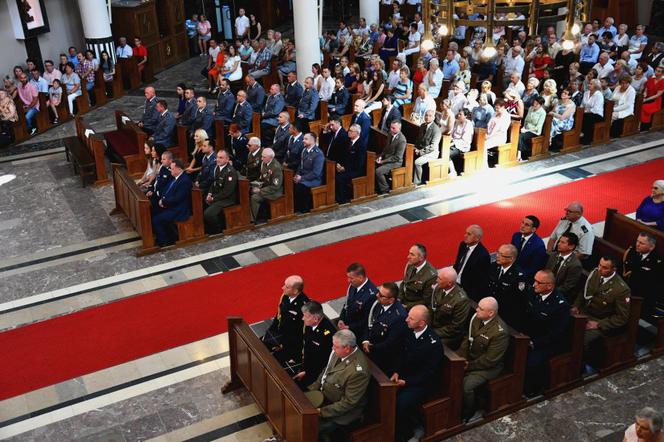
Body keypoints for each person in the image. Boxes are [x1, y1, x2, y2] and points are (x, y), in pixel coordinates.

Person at [306, 329, 371, 442]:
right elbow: (325, 372)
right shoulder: (338, 352)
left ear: (347, 348)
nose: (332, 348)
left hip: (341, 412)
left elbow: (348, 403)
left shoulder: (358, 371)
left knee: (309, 429)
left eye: (335, 346)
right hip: (324, 398)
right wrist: (310, 391)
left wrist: (321, 412)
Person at [392, 305, 444, 442]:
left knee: (401, 403)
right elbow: (400, 354)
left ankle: (404, 433)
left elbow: (429, 373)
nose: (406, 320)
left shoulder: (433, 344)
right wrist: (396, 371)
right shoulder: (409, 330)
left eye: (411, 318)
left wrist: (407, 382)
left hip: (421, 384)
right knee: (385, 394)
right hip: (404, 376)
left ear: (422, 323)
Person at [572, 256, 631, 370]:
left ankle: (579, 368)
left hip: (599, 321)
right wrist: (576, 306)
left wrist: (598, 324)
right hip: (584, 313)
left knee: (581, 339)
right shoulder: (595, 273)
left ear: (613, 269)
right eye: (599, 265)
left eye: (604, 268)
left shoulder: (621, 289)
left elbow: (622, 318)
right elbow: (584, 292)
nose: (600, 269)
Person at [457, 296, 509, 422]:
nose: (476, 311)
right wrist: (460, 358)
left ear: (491, 313)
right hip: (472, 359)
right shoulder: (476, 318)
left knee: (466, 385)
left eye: (480, 309)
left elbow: (490, 360)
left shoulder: (499, 332)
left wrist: (469, 366)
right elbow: (468, 338)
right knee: (453, 372)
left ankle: (469, 411)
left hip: (488, 368)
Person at [522, 270, 570, 397]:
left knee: (531, 363)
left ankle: (531, 390)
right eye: (534, 280)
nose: (534, 285)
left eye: (538, 282)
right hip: (530, 336)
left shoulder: (560, 305)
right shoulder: (533, 292)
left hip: (547, 343)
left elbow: (556, 333)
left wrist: (534, 343)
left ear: (549, 286)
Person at [361, 282, 408, 375]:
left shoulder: (399, 317)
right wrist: (365, 340)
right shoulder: (377, 303)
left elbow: (391, 342)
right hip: (369, 345)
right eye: (378, 292)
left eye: (381, 295)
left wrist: (371, 347)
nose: (377, 295)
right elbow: (368, 322)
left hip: (383, 356)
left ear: (391, 300)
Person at [289, 301, 336, 388]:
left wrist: (307, 372)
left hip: (316, 373)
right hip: (305, 364)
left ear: (315, 319)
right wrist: (297, 357)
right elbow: (305, 344)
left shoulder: (327, 335)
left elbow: (323, 360)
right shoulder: (309, 324)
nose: (303, 318)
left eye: (306, 316)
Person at [263, 275, 310, 361]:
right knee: (259, 346)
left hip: (292, 345)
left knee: (273, 361)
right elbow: (278, 318)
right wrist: (269, 333)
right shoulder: (285, 296)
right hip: (280, 335)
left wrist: (281, 345)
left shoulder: (304, 307)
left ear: (295, 291)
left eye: (286, 287)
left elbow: (299, 333)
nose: (282, 288)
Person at [151, 159, 193, 247]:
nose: (170, 170)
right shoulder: (174, 178)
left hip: (179, 210)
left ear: (178, 169)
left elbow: (178, 198)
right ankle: (165, 236)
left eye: (172, 168)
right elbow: (167, 190)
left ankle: (164, 241)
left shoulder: (184, 181)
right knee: (153, 211)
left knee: (157, 219)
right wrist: (162, 199)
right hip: (172, 206)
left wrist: (164, 201)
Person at [426, 267, 470, 349]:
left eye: (440, 279)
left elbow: (455, 327)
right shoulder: (438, 288)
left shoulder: (461, 300)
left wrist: (433, 332)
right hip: (434, 327)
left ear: (449, 283)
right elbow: (431, 309)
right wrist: (426, 327)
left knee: (430, 344)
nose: (436, 281)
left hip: (448, 335)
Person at [622, 233, 664, 320]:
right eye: (637, 241)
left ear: (651, 247)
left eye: (642, 243)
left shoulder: (657, 262)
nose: (637, 244)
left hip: (642, 298)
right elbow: (624, 271)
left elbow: (655, 286)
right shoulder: (632, 252)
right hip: (626, 291)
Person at [488, 244, 528, 331]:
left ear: (511, 259)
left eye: (502, 255)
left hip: (506, 314)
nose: (497, 256)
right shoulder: (494, 266)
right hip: (491, 307)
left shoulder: (518, 276)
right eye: (498, 252)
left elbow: (517, 301)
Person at [337, 263, 378, 339]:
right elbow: (346, 304)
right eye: (348, 277)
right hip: (347, 326)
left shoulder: (371, 295)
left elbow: (367, 319)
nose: (348, 281)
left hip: (359, 333)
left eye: (351, 278)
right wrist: (341, 319)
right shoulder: (352, 286)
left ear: (360, 277)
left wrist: (349, 327)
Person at [202, 150, 239, 234]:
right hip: (218, 196)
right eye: (217, 157)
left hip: (227, 199)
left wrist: (213, 198)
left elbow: (227, 191)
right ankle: (208, 229)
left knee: (208, 214)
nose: (217, 159)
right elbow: (214, 183)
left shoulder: (230, 172)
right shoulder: (218, 168)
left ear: (227, 159)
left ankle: (218, 231)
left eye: (221, 158)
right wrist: (209, 194)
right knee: (201, 204)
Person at [545, 232, 584, 304]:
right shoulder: (553, 255)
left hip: (559, 296)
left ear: (571, 246)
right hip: (546, 288)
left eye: (562, 242)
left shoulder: (575, 265)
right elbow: (546, 272)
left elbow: (567, 287)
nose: (558, 244)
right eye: (559, 241)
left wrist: (548, 291)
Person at [293, 132, 324, 213]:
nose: (303, 140)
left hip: (314, 179)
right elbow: (301, 165)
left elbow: (316, 173)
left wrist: (301, 178)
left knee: (300, 187)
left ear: (312, 141)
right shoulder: (304, 150)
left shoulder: (318, 154)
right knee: (291, 183)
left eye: (306, 139)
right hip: (304, 177)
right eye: (303, 139)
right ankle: (295, 208)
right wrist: (297, 175)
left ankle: (305, 210)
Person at [250, 148, 283, 222]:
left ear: (270, 157)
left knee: (254, 197)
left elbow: (275, 187)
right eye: (262, 156)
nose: (261, 158)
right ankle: (258, 215)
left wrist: (260, 190)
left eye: (264, 157)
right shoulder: (264, 163)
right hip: (266, 187)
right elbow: (262, 177)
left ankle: (252, 220)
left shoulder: (276, 168)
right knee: (249, 190)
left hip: (274, 192)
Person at [412, 110, 442, 185]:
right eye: (426, 115)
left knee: (417, 163)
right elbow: (418, 139)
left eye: (430, 116)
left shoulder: (436, 130)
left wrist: (420, 152)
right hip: (421, 149)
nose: (427, 117)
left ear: (433, 117)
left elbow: (433, 146)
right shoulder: (422, 126)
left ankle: (417, 182)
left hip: (431, 153)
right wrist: (415, 148)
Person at [484, 99, 512, 168]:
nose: (496, 109)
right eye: (495, 107)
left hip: (499, 138)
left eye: (498, 108)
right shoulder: (495, 113)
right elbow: (489, 125)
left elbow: (501, 131)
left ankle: (484, 166)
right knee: (478, 142)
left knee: (483, 145)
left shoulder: (506, 116)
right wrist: (486, 134)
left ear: (503, 107)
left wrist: (489, 136)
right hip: (489, 135)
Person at [517, 96, 546, 161]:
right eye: (534, 103)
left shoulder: (542, 113)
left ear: (541, 105)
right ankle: (522, 151)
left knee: (520, 136)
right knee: (515, 134)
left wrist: (527, 130)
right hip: (526, 129)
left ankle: (519, 155)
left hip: (534, 131)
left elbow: (538, 127)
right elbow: (526, 120)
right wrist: (524, 127)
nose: (534, 105)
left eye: (537, 104)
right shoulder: (531, 108)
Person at [580, 79, 605, 145]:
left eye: (591, 84)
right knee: (578, 116)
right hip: (586, 113)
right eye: (589, 83)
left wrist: (585, 112)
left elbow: (596, 109)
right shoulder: (586, 93)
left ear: (596, 86)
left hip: (597, 114)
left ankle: (587, 139)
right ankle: (579, 135)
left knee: (587, 117)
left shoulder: (599, 95)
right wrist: (581, 111)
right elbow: (582, 104)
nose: (589, 85)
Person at [640, 66, 664, 131]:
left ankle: (646, 126)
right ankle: (642, 126)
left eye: (659, 71)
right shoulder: (651, 79)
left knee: (644, 106)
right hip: (648, 98)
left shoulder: (662, 82)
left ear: (662, 73)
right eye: (656, 70)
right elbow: (646, 90)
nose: (656, 72)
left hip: (656, 101)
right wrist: (644, 95)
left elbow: (658, 95)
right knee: (639, 105)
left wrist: (646, 99)